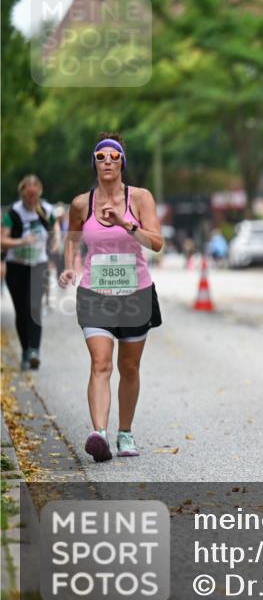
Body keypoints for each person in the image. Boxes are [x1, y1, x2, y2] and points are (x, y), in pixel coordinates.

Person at [59, 133, 164, 462]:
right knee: (100, 363)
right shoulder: (81, 203)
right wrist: (69, 267)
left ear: (122, 163)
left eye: (113, 157)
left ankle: (125, 432)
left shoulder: (140, 198)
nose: (107, 162)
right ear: (94, 162)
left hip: (136, 293)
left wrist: (125, 224)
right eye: (101, 157)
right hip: (95, 293)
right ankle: (100, 434)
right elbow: (72, 238)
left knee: (129, 368)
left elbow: (157, 243)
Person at [1, 175, 55, 370]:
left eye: (35, 195)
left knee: (34, 308)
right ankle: (25, 350)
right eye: (28, 195)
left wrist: (54, 242)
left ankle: (35, 351)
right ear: (22, 192)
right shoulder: (14, 213)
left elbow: (54, 229)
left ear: (40, 192)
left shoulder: (47, 210)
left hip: (38, 265)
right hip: (16, 266)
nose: (31, 199)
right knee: (21, 311)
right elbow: (2, 240)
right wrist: (21, 242)